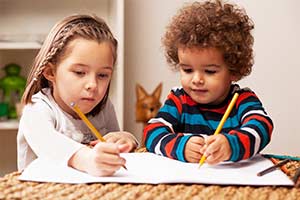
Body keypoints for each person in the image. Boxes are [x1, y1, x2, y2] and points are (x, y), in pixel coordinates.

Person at [144, 0, 273, 165]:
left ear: (234, 70)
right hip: (183, 186)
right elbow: (151, 132)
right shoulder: (179, 99)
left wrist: (230, 145)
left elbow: (262, 127)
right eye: (188, 70)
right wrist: (181, 146)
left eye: (210, 71)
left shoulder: (242, 100)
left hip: (233, 184)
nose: (196, 80)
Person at [17, 14, 138, 176]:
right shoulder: (36, 108)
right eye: (80, 72)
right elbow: (48, 144)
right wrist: (87, 159)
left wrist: (125, 138)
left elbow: (112, 149)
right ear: (50, 72)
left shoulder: (104, 107)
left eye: (102, 75)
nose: (93, 85)